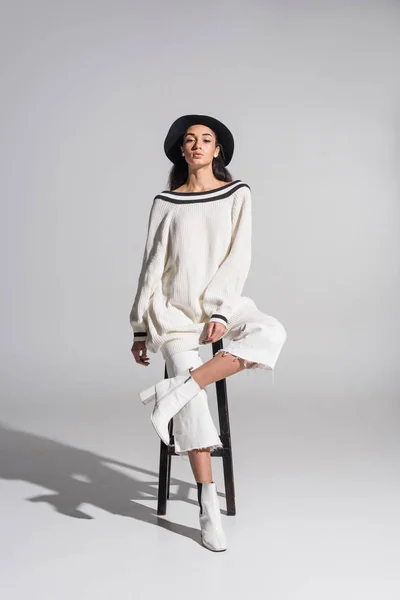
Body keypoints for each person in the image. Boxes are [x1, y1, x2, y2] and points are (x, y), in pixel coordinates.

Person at [129, 114, 287, 552]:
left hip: (224, 303)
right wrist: (141, 328)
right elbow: (151, 266)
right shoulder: (166, 201)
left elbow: (240, 256)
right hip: (174, 313)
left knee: (270, 332)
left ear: (218, 150)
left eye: (206, 139)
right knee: (195, 400)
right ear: (181, 151)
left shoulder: (237, 194)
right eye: (190, 140)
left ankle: (172, 393)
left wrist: (219, 310)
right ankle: (206, 503)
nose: (197, 145)